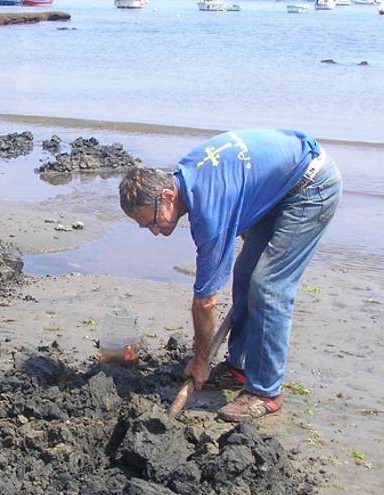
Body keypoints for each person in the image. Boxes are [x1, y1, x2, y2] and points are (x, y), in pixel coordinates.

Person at [118, 128, 342, 421]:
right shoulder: (185, 175)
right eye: (146, 227)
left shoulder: (209, 216)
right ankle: (239, 367)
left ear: (168, 196)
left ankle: (266, 392)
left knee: (269, 287)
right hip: (278, 189)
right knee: (246, 273)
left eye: (153, 222)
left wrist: (200, 360)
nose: (155, 231)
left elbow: (205, 302)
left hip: (311, 186)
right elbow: (243, 189)